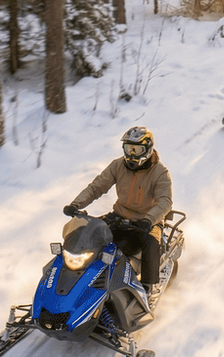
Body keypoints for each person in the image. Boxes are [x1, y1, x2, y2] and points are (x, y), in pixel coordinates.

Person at [64, 126, 172, 296]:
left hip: (147, 221)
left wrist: (149, 220)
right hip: (119, 216)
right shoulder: (118, 165)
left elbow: (165, 201)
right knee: (88, 233)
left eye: (137, 149)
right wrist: (76, 205)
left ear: (148, 149)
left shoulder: (160, 172)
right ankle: (78, 276)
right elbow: (96, 187)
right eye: (128, 148)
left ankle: (148, 288)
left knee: (150, 243)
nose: (132, 154)